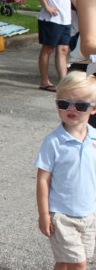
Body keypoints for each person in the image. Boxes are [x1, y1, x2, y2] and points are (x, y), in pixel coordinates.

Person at [35, 70, 96, 270]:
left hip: (89, 214)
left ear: (93, 109)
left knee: (65, 261)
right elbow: (43, 180)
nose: (71, 109)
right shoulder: (53, 142)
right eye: (63, 103)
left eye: (80, 105)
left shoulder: (95, 138)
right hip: (62, 216)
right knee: (79, 264)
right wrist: (44, 214)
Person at [34, 0, 84, 92]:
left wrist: (83, 11)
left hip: (65, 19)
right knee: (48, 49)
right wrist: (46, 6)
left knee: (63, 50)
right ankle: (44, 81)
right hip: (51, 19)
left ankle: (63, 83)